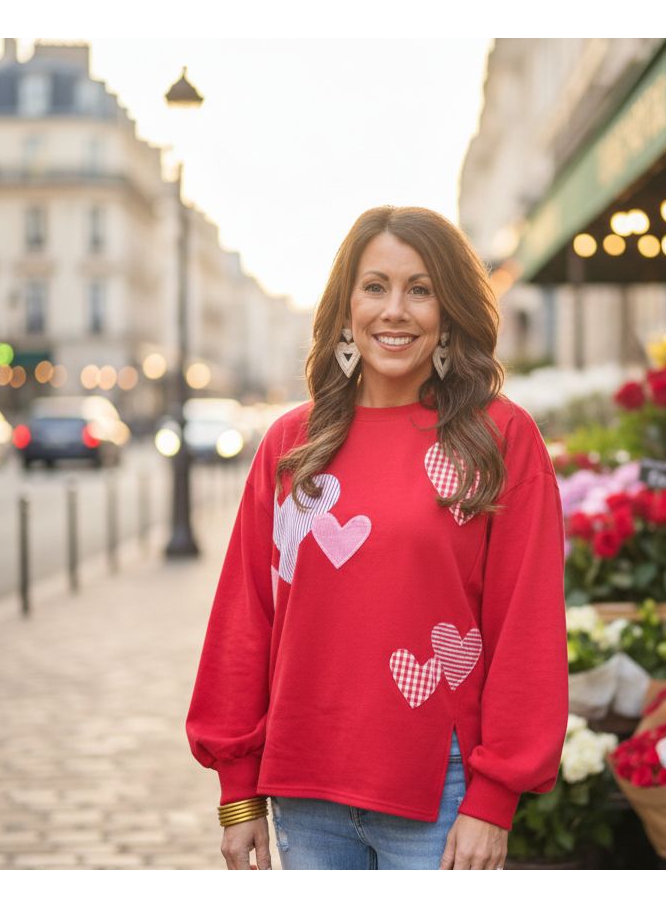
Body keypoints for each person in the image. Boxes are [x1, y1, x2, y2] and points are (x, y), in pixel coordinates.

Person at [185, 205, 568, 870]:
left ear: (449, 311)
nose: (395, 310)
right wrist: (238, 790)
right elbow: (245, 615)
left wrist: (492, 799)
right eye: (374, 287)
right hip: (303, 786)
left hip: (440, 792)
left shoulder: (498, 438)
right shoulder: (291, 443)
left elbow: (526, 625)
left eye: (420, 289)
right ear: (345, 307)